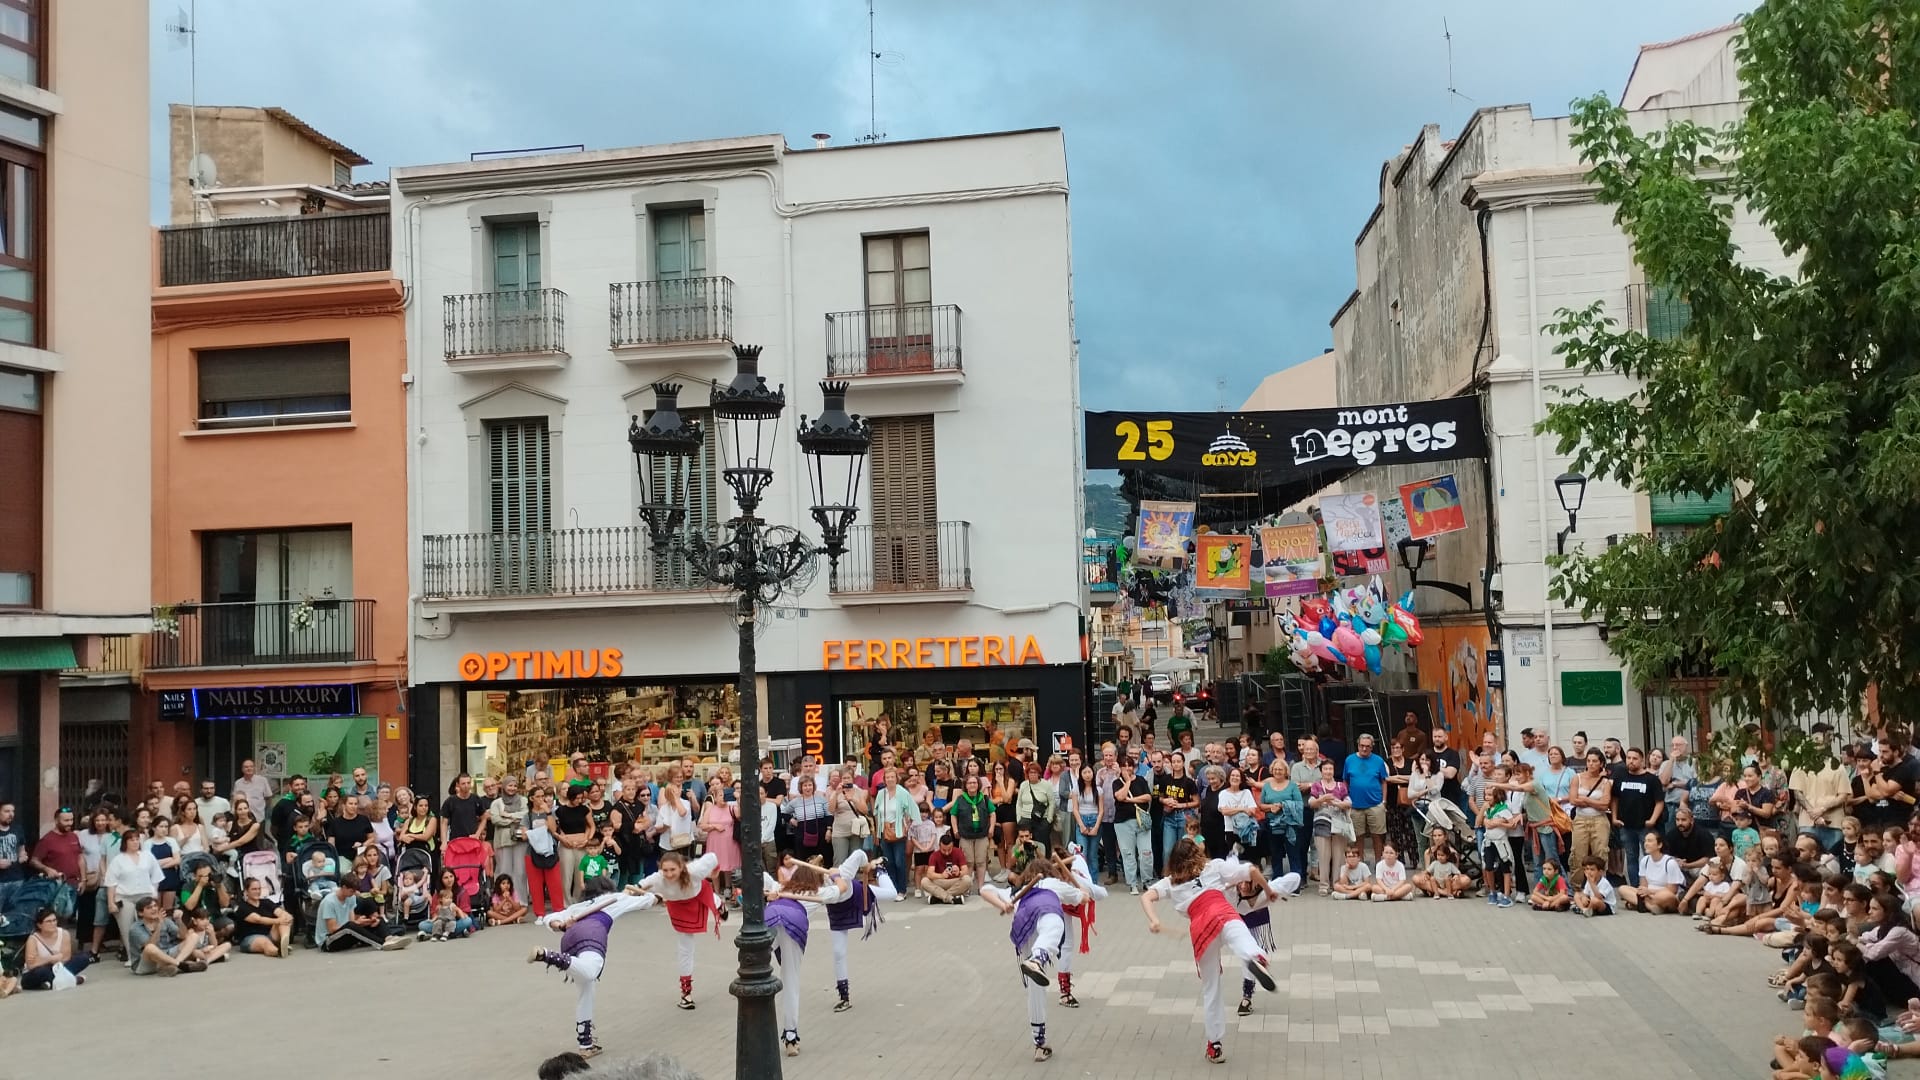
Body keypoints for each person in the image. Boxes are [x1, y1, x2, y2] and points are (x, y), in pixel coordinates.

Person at [1140, 838, 1279, 1064]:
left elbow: (1146, 897)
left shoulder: (1170, 882)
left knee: (1211, 988)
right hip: (1222, 911)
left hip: (1200, 926)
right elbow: (1251, 870)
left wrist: (1154, 920)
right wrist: (1268, 890)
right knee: (1240, 935)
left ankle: (1214, 1045)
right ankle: (1256, 957)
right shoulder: (1213, 866)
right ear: (1196, 854)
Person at [531, 876, 654, 1060]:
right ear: (608, 887)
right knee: (590, 971)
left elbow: (551, 918)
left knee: (586, 989)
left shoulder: (576, 907)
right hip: (593, 932)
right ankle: (549, 956)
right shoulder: (616, 898)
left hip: (569, 938)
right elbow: (648, 901)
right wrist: (653, 895)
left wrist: (561, 925)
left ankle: (585, 1044)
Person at [981, 855, 1088, 1062]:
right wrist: (1082, 891)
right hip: (1045, 912)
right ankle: (1039, 958)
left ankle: (1039, 1043)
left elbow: (985, 889)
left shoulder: (1017, 892)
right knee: (1055, 926)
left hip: (1023, 927)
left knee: (1035, 988)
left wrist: (1002, 905)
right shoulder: (1054, 884)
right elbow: (1083, 898)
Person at [630, 850, 725, 1009]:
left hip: (697, 894)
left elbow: (713, 857)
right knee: (685, 949)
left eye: (673, 869)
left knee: (710, 898)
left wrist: (715, 872)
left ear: (682, 867)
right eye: (665, 870)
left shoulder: (694, 870)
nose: (668, 874)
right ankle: (686, 994)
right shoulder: (658, 878)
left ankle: (718, 903)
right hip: (677, 906)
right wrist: (628, 893)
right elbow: (638, 886)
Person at [819, 850, 893, 1013]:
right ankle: (844, 996)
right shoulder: (815, 891)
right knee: (838, 953)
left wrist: (866, 866)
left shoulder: (844, 872)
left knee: (892, 894)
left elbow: (859, 853)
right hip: (837, 913)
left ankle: (880, 868)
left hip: (858, 897)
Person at [103, 830, 160, 966]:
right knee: (127, 928)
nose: (135, 842)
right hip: (125, 896)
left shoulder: (147, 856)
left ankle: (151, 953)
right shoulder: (118, 859)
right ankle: (132, 957)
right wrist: (111, 902)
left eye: (136, 839)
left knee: (148, 925)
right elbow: (111, 882)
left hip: (145, 895)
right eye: (131, 840)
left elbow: (156, 876)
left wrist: (154, 892)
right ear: (125, 842)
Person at [315, 879, 411, 952]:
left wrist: (365, 922)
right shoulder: (329, 902)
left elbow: (352, 921)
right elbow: (332, 929)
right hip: (328, 941)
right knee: (350, 926)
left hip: (346, 932)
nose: (354, 894)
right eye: (351, 891)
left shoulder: (350, 897)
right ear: (343, 887)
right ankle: (382, 943)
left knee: (378, 919)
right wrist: (356, 924)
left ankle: (389, 938)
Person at [1343, 734, 1389, 863]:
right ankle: (1360, 863)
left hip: (1375, 804)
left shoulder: (1379, 760)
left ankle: (1379, 863)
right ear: (1358, 745)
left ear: (1372, 747)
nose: (1364, 749)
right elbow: (1345, 781)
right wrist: (1347, 799)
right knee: (1358, 836)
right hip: (1355, 805)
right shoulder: (1349, 760)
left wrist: (1384, 802)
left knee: (1378, 836)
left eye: (1367, 746)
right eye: (1362, 746)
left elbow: (1384, 781)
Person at [19, 907, 91, 989]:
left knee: (83, 958)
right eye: (48, 921)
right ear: (39, 925)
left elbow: (66, 957)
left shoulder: (64, 933)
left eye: (54, 920)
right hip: (38, 970)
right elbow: (31, 965)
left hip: (58, 966)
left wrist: (44, 960)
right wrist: (50, 959)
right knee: (42, 972)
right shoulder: (33, 939)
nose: (53, 923)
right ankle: (71, 979)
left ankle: (51, 982)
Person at [127, 896, 200, 976]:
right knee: (150, 947)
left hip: (166, 955)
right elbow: (151, 946)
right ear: (140, 913)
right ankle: (179, 964)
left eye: (155, 906)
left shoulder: (166, 921)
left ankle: (175, 964)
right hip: (146, 964)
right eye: (149, 907)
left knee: (193, 936)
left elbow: (183, 936)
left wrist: (179, 920)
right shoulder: (135, 928)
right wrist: (159, 925)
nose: (154, 909)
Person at [1618, 830, 1685, 914]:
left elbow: (1672, 890)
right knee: (1622, 889)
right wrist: (1645, 892)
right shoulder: (1644, 860)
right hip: (1648, 895)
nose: (1646, 843)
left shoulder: (1670, 863)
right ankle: (1649, 906)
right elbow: (1643, 886)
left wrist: (1650, 892)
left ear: (1659, 845)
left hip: (1664, 895)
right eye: (1645, 841)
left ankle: (1639, 904)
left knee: (1665, 896)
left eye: (1650, 841)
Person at [231, 875, 293, 957]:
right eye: (254, 889)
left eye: (259, 889)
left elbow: (279, 912)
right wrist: (278, 920)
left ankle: (284, 939)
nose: (257, 891)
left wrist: (286, 916)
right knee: (265, 942)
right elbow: (259, 919)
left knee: (284, 920)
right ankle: (278, 951)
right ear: (246, 892)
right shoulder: (242, 907)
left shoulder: (266, 902)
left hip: (269, 934)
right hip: (250, 938)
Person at [27, 807, 81, 888]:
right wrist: (47, 869)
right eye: (66, 820)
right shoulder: (47, 840)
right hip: (56, 884)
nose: (70, 823)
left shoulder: (74, 836)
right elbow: (34, 861)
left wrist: (83, 879)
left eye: (71, 820)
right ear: (56, 821)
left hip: (74, 883)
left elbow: (80, 857)